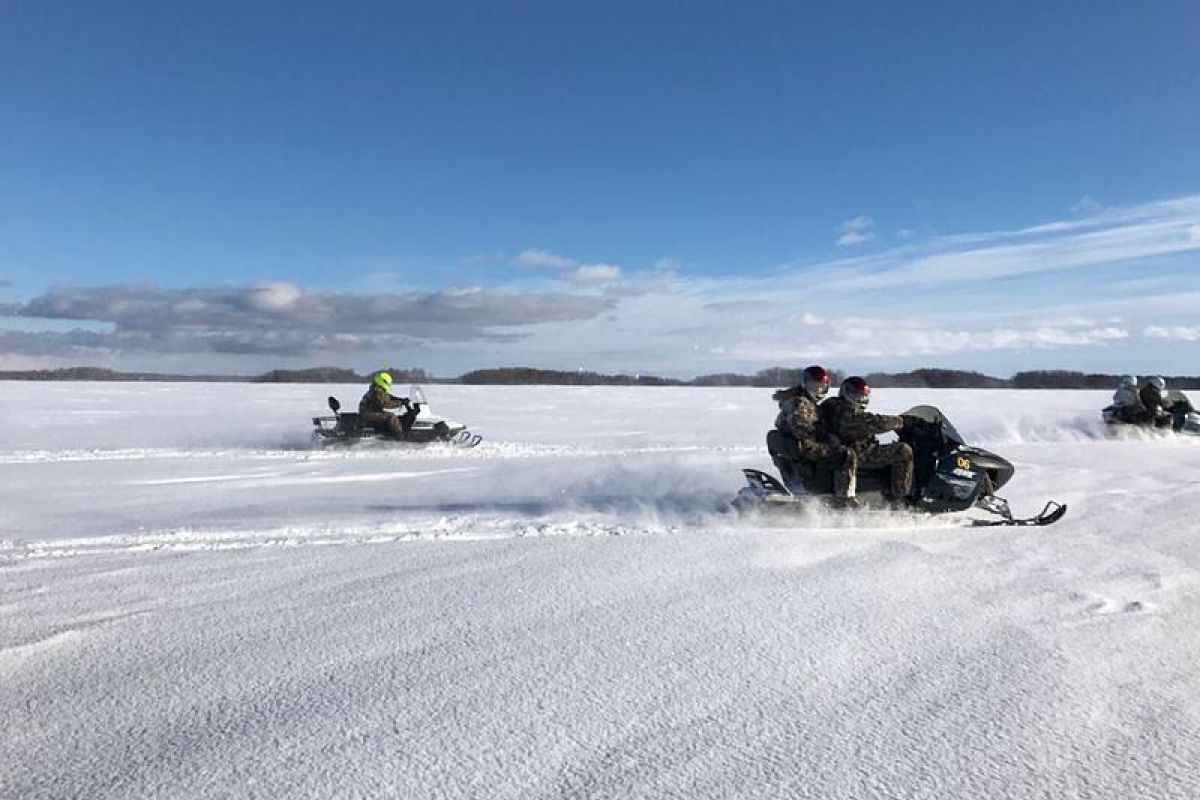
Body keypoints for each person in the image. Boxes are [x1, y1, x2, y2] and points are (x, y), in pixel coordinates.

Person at [819, 376, 913, 505]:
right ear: (846, 393)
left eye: (863, 397)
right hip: (855, 452)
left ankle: (886, 492)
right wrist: (899, 422)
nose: (860, 400)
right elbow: (870, 422)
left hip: (845, 449)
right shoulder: (843, 411)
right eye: (857, 397)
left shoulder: (833, 406)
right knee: (903, 451)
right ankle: (901, 500)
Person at [769, 365, 855, 501]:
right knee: (846, 455)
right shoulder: (800, 404)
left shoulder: (804, 402)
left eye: (822, 386)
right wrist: (826, 439)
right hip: (805, 449)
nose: (818, 390)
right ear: (805, 384)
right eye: (814, 386)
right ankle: (844, 499)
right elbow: (802, 430)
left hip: (799, 450)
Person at [359, 371, 419, 439]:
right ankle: (400, 436)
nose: (389, 385)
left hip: (371, 412)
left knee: (393, 417)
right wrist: (400, 403)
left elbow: (389, 397)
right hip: (368, 413)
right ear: (383, 382)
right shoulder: (376, 392)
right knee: (391, 416)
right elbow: (385, 403)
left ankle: (392, 432)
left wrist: (401, 399)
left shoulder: (377, 390)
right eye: (388, 383)